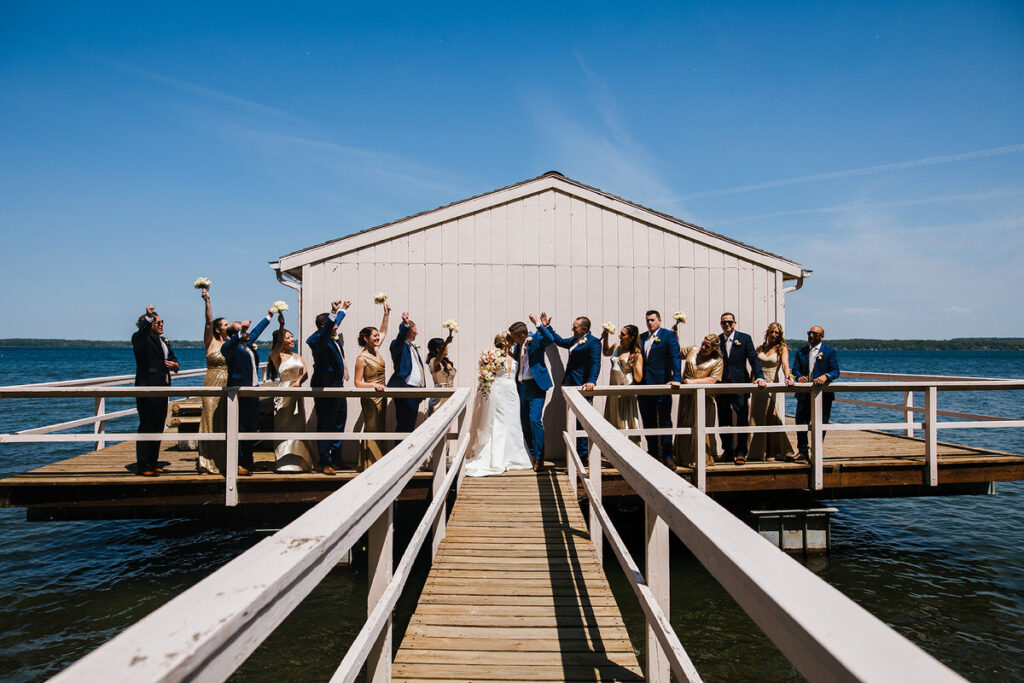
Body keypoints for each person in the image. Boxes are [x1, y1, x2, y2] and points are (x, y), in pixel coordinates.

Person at [464, 332, 534, 477]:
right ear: (503, 341)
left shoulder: (514, 355)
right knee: (499, 422)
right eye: (509, 339)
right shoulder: (491, 354)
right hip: (498, 390)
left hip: (512, 391)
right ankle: (496, 458)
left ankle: (514, 456)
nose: (513, 341)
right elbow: (486, 374)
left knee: (513, 422)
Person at [221, 307, 275, 476]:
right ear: (234, 334)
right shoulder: (229, 348)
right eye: (243, 331)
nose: (247, 333)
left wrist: (269, 316)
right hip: (240, 392)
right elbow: (230, 345)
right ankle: (237, 463)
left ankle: (248, 461)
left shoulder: (247, 345)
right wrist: (240, 332)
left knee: (252, 427)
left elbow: (256, 331)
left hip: (253, 391)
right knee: (240, 428)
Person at [306, 299, 354, 474]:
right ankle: (325, 461)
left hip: (338, 387)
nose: (337, 327)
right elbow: (328, 329)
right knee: (326, 424)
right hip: (325, 387)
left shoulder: (331, 336)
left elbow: (334, 325)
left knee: (339, 423)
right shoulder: (317, 341)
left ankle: (337, 456)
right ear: (325, 326)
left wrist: (343, 311)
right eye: (333, 324)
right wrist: (333, 313)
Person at [131, 305, 179, 476]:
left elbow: (172, 358)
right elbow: (141, 333)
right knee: (147, 425)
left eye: (162, 322)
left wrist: (175, 365)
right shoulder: (141, 339)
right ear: (149, 323)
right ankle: (143, 465)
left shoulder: (164, 341)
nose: (161, 324)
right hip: (148, 387)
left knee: (158, 426)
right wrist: (149, 317)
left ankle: (153, 461)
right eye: (157, 322)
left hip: (163, 388)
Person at [716, 312, 767, 465]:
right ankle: (728, 450)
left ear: (735, 323)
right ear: (721, 324)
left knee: (742, 419)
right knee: (724, 419)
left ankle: (741, 452)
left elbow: (753, 359)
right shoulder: (717, 340)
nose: (727, 325)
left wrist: (759, 376)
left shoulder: (744, 339)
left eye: (730, 322)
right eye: (724, 323)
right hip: (721, 386)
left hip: (740, 384)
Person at [266, 317, 315, 472]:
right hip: (284, 392)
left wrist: (299, 381)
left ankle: (300, 462)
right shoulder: (277, 356)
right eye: (288, 337)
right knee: (284, 426)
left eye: (292, 336)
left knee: (298, 426)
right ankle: (283, 462)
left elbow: (306, 372)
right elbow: (279, 343)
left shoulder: (297, 356)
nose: (292, 339)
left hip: (297, 392)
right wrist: (282, 325)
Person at [549, 316, 601, 458]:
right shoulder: (573, 341)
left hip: (583, 386)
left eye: (575, 327)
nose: (572, 329)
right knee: (572, 420)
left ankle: (583, 455)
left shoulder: (594, 342)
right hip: (570, 385)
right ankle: (576, 452)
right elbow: (559, 341)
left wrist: (592, 381)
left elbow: (596, 363)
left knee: (582, 421)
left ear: (584, 329)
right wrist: (547, 328)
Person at [786, 325, 840, 462]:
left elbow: (835, 371)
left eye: (814, 334)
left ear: (821, 337)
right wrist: (799, 377)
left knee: (822, 422)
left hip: (823, 394)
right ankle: (802, 450)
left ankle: (816, 450)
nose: (811, 336)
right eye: (809, 333)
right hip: (804, 393)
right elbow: (795, 369)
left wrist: (825, 376)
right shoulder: (801, 351)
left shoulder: (829, 351)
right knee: (800, 421)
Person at [510, 315, 555, 471]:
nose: (513, 340)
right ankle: (530, 454)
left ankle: (539, 457)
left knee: (534, 420)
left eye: (514, 337)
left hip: (536, 385)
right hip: (522, 386)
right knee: (525, 421)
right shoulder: (517, 346)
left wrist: (538, 324)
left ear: (522, 335)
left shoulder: (536, 339)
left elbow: (550, 339)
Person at [637, 310, 682, 468]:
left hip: (662, 384)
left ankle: (668, 454)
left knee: (665, 420)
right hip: (644, 386)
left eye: (653, 320)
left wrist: (676, 378)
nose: (650, 323)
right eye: (648, 320)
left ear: (660, 320)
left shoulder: (668, 336)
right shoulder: (641, 337)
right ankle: (653, 453)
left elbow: (676, 356)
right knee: (648, 420)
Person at [748, 322, 795, 463]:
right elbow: (754, 367)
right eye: (772, 332)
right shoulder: (760, 348)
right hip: (758, 387)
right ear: (767, 333)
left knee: (771, 417)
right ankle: (756, 452)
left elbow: (786, 365)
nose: (774, 335)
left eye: (777, 333)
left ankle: (772, 451)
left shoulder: (782, 349)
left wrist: (788, 378)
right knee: (757, 418)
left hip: (771, 387)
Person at [674, 334, 724, 466]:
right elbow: (677, 352)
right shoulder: (693, 350)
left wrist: (693, 382)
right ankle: (681, 457)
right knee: (684, 423)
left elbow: (714, 379)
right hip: (686, 396)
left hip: (703, 397)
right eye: (703, 343)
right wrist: (676, 335)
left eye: (707, 346)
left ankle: (696, 458)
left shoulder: (717, 360)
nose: (703, 347)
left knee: (697, 424)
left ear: (713, 348)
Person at [353, 306, 391, 472]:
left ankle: (379, 460)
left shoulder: (376, 349)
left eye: (377, 336)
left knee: (381, 427)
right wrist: (373, 385)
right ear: (366, 338)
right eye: (374, 336)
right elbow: (357, 382)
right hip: (370, 397)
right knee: (372, 426)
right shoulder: (361, 358)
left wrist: (386, 314)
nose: (377, 338)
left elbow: (383, 331)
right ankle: (370, 463)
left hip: (382, 395)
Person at [198, 288, 228, 474]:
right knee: (209, 418)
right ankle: (205, 461)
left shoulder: (230, 344)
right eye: (224, 325)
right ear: (218, 329)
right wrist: (207, 300)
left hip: (227, 384)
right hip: (212, 382)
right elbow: (208, 322)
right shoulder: (211, 342)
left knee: (224, 420)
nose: (227, 326)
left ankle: (222, 459)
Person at [602, 324, 642, 444]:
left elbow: (639, 378)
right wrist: (605, 338)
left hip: (626, 388)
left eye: (623, 334)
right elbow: (605, 352)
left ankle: (628, 446)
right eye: (620, 333)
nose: (619, 336)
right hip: (613, 386)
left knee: (625, 417)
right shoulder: (616, 346)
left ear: (631, 338)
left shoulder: (636, 353)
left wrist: (634, 365)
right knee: (613, 415)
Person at [388, 311, 426, 434]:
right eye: (414, 332)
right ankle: (399, 451)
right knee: (404, 425)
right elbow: (399, 341)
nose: (417, 334)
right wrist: (405, 325)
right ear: (407, 333)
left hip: (416, 391)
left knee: (410, 426)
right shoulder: (397, 345)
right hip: (405, 389)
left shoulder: (412, 346)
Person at [426, 331, 456, 416]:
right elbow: (437, 359)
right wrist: (446, 341)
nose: (447, 348)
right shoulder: (434, 362)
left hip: (449, 394)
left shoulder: (446, 361)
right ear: (438, 349)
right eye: (445, 346)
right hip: (439, 395)